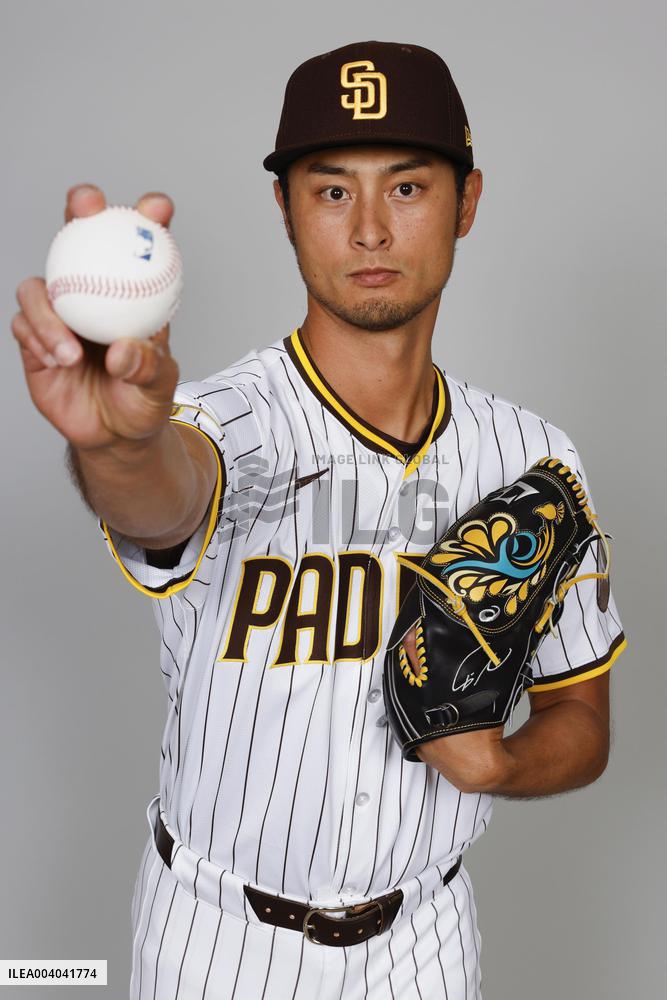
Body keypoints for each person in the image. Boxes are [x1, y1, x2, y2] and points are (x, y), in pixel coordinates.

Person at [12, 39, 627, 1000]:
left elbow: (581, 718)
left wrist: (501, 765)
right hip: (215, 941)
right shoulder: (221, 425)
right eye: (333, 191)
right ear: (286, 211)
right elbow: (167, 494)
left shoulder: (531, 459)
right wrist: (117, 446)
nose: (371, 230)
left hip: (425, 937)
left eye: (409, 188)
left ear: (466, 203)